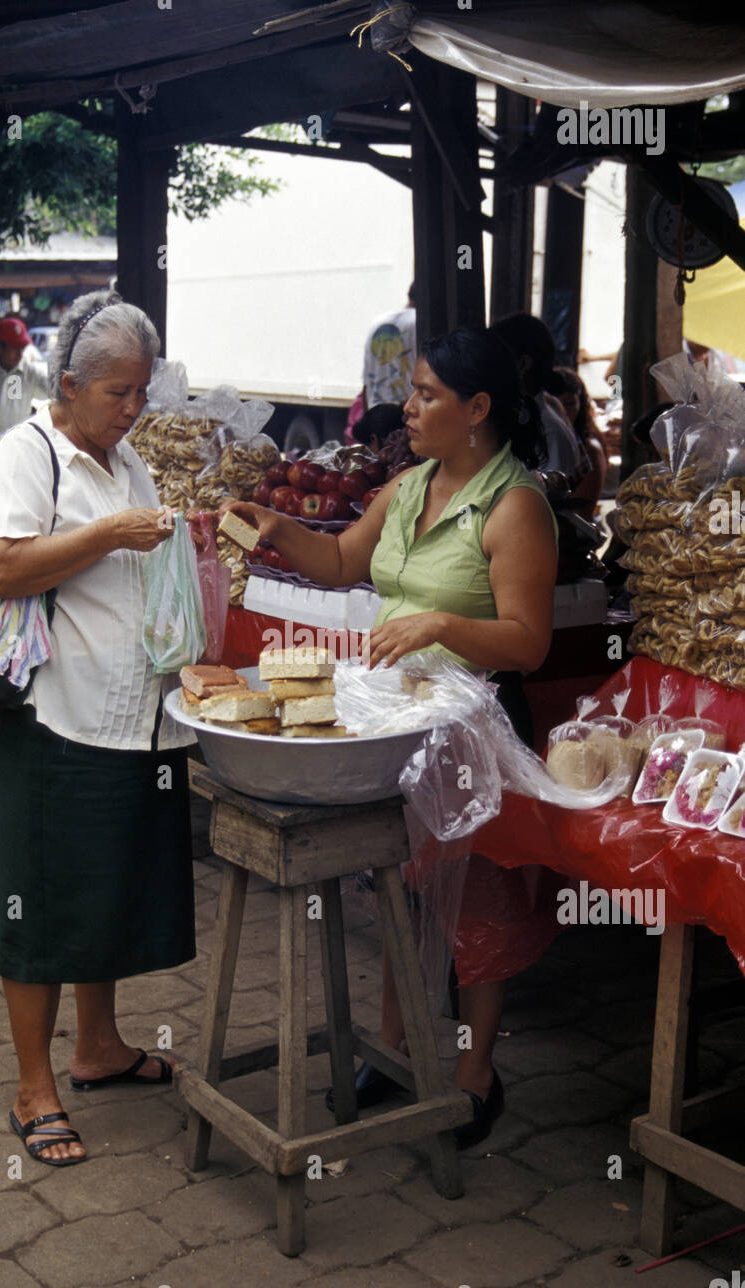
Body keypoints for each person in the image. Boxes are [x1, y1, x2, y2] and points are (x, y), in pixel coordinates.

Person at [220, 326, 559, 1146]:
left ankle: (477, 1075)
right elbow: (338, 561)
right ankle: (395, 1049)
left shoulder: (517, 507)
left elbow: (530, 641)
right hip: (397, 723)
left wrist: (443, 621)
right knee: (403, 891)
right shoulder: (408, 488)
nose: (406, 407)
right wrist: (271, 524)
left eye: (428, 394)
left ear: (477, 409)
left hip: (474, 726)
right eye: (412, 390)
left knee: (476, 907)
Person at [0, 290, 196, 1166]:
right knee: (41, 902)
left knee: (105, 887)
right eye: (118, 393)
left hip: (131, 716)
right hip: (57, 714)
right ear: (68, 384)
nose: (134, 408)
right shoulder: (28, 455)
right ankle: (33, 1089)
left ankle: (97, 1048)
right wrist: (107, 535)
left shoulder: (123, 457)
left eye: (143, 390)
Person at [491, 313, 588, 499]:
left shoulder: (548, 431)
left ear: (523, 364)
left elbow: (547, 503)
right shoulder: (519, 419)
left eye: (496, 358)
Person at [548, 366, 608, 518]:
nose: (561, 412)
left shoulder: (590, 450)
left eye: (568, 404)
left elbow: (581, 513)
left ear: (580, 406)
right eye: (553, 405)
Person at [361, 282, 417, 410]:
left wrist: (367, 416)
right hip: (404, 412)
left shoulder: (377, 323)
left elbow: (366, 382)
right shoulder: (419, 322)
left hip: (376, 411)